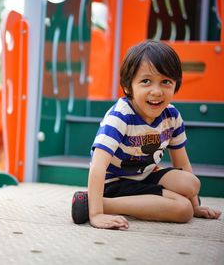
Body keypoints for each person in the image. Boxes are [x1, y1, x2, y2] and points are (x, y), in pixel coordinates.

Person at [71, 40, 222, 229]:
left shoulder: (171, 116)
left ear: (176, 85)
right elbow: (98, 166)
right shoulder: (121, 116)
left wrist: (196, 206)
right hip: (116, 182)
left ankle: (149, 201)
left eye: (166, 81)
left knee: (192, 184)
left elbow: (182, 163)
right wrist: (96, 214)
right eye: (146, 81)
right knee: (183, 210)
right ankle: (98, 203)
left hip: (146, 175)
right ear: (128, 87)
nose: (157, 91)